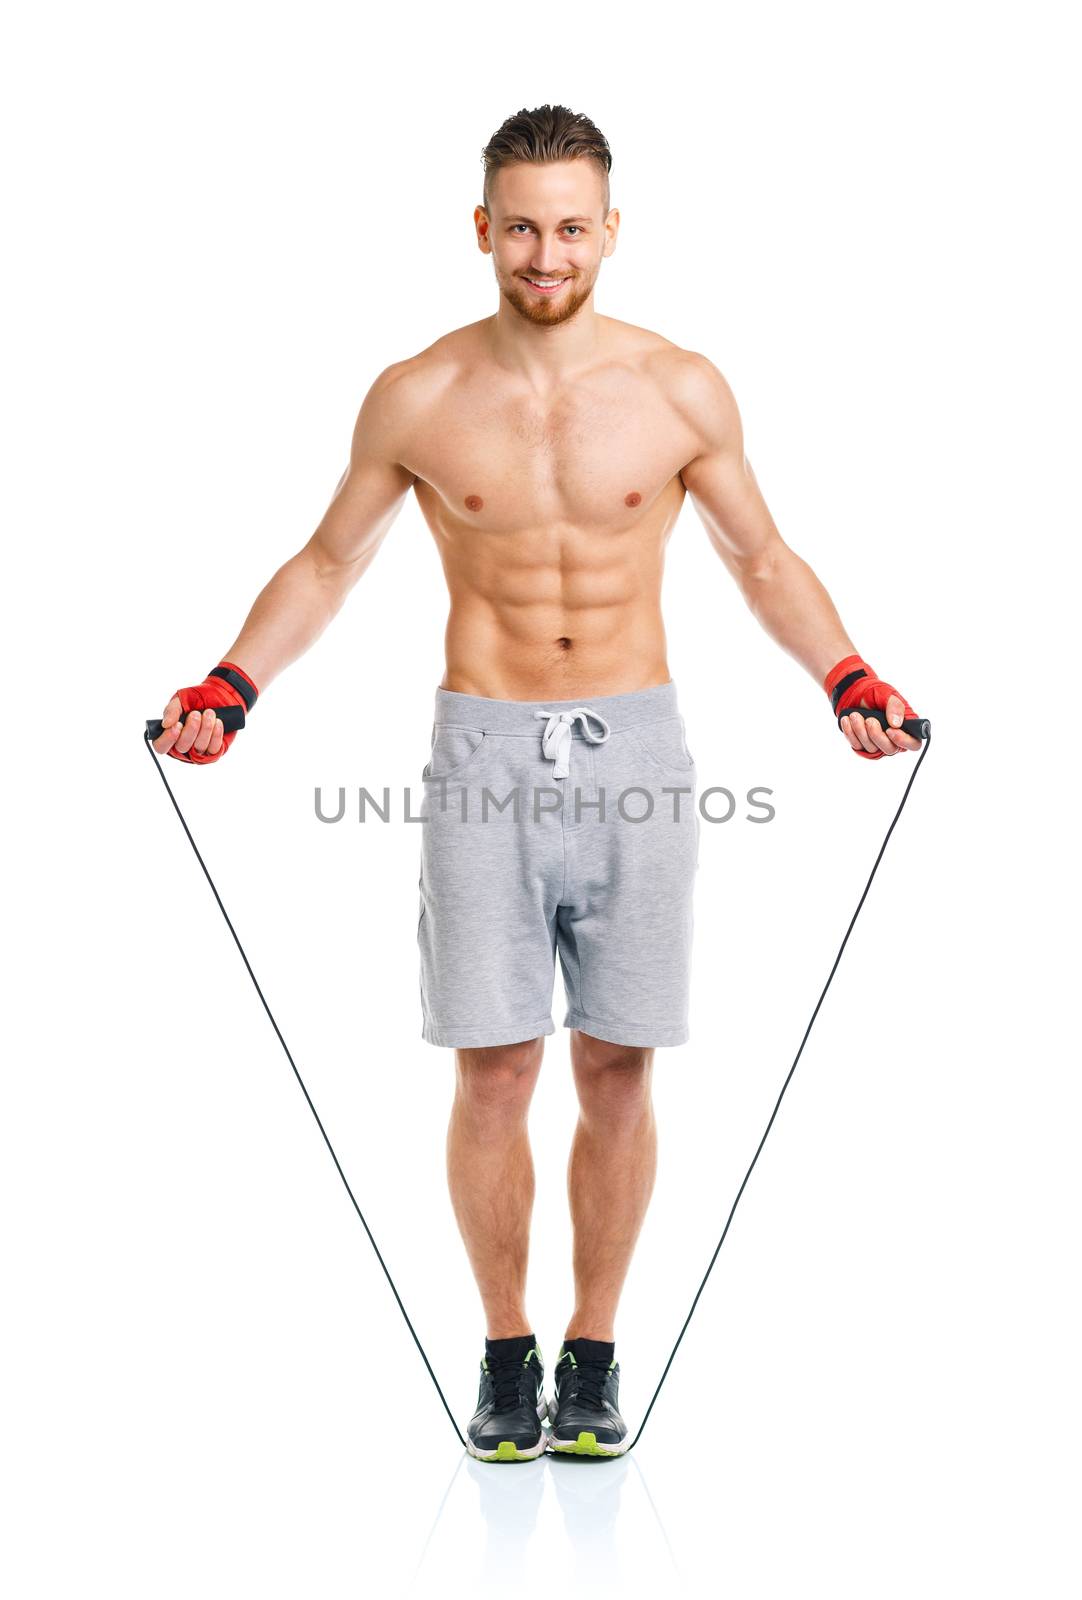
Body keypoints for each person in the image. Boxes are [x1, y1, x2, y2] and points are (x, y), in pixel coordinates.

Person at [153, 104, 920, 1462]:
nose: (545, 253)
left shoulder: (680, 387)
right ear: (481, 230)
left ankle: (595, 1348)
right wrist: (231, 687)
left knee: (618, 1063)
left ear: (609, 231)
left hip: (635, 740)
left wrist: (847, 678)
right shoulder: (418, 394)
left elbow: (760, 558)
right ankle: (508, 1353)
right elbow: (328, 564)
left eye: (571, 227)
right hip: (484, 746)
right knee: (496, 1065)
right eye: (521, 227)